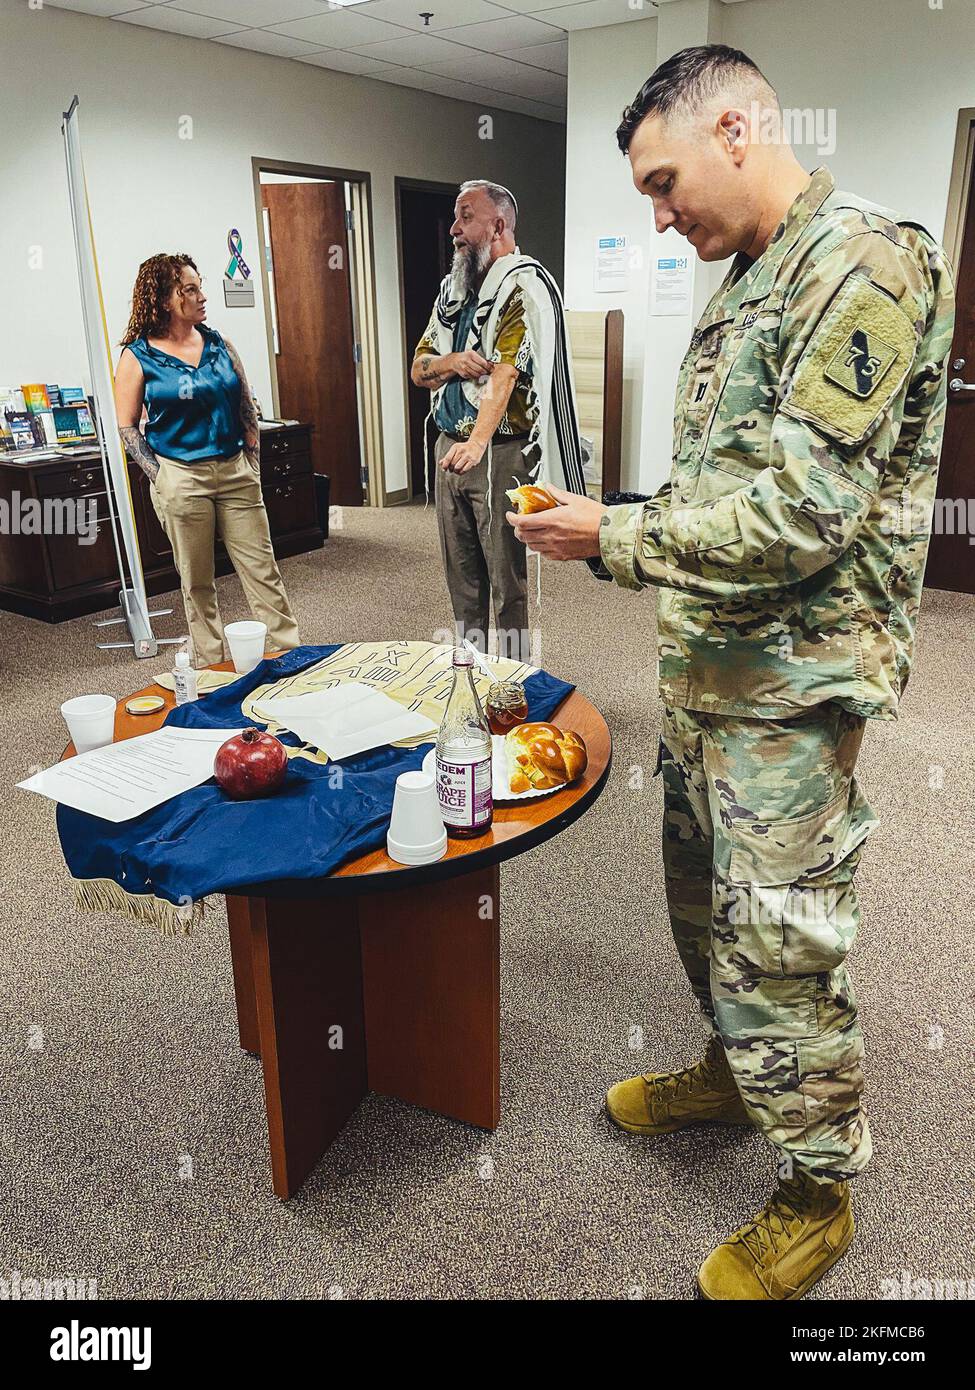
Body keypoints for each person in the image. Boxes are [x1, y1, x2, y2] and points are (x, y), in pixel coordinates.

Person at [507, 46, 954, 1300]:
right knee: (706, 913)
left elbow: (805, 515)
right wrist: (620, 519)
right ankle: (729, 1065)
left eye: (663, 181)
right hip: (713, 673)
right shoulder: (752, 277)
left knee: (787, 944)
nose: (658, 215)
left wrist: (615, 535)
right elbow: (725, 488)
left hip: (794, 694)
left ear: (740, 126)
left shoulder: (866, 262)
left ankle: (818, 1194)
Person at [412, 180, 585, 663]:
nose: (454, 230)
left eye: (466, 217)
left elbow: (506, 374)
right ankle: (472, 674)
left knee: (506, 581)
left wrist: (478, 443)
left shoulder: (522, 288)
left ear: (499, 225)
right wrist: (453, 362)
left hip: (499, 452)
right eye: (455, 217)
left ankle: (511, 681)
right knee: (461, 578)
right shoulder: (453, 293)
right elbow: (420, 368)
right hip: (450, 447)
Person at [115, 253, 301, 667]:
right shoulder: (137, 356)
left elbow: (247, 406)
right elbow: (128, 428)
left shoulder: (218, 343)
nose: (203, 296)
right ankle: (213, 666)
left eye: (200, 286)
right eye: (190, 289)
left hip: (235, 471)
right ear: (165, 299)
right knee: (197, 582)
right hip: (180, 476)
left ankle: (288, 659)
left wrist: (252, 462)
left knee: (263, 571)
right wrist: (163, 477)